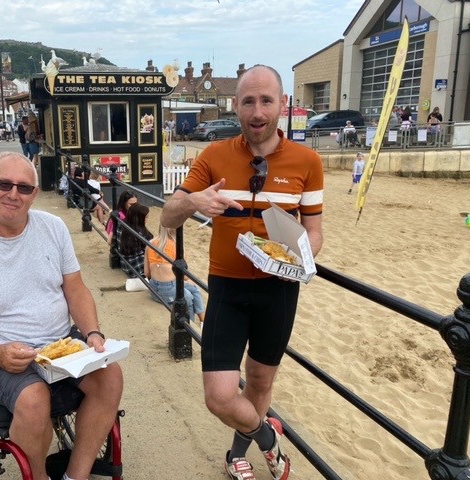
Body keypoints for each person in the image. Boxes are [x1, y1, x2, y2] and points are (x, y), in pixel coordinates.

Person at [161, 64, 323, 480]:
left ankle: (238, 454)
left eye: (266, 100)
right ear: (236, 105)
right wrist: (194, 202)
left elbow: (314, 232)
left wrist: (298, 258)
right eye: (248, 100)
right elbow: (168, 214)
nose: (257, 111)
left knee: (260, 382)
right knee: (218, 396)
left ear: (281, 104)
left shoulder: (308, 162)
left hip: (279, 289)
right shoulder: (214, 156)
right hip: (228, 288)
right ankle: (267, 437)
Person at [0, 151, 123, 480]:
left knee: (111, 376)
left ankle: (74, 476)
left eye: (24, 188)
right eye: (4, 184)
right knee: (34, 399)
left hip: (60, 345)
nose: (13, 194)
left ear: (34, 194)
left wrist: (92, 333)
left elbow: (76, 289)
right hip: (1, 356)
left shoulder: (52, 228)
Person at [144, 224, 205, 324]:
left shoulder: (150, 244)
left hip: (154, 288)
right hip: (168, 288)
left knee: (194, 289)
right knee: (188, 297)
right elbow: (183, 275)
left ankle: (203, 320)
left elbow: (146, 272)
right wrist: (188, 280)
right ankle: (190, 326)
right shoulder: (177, 246)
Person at [119, 203, 153, 278]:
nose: (147, 219)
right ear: (139, 218)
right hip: (138, 266)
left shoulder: (122, 225)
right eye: (146, 217)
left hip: (125, 263)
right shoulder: (139, 232)